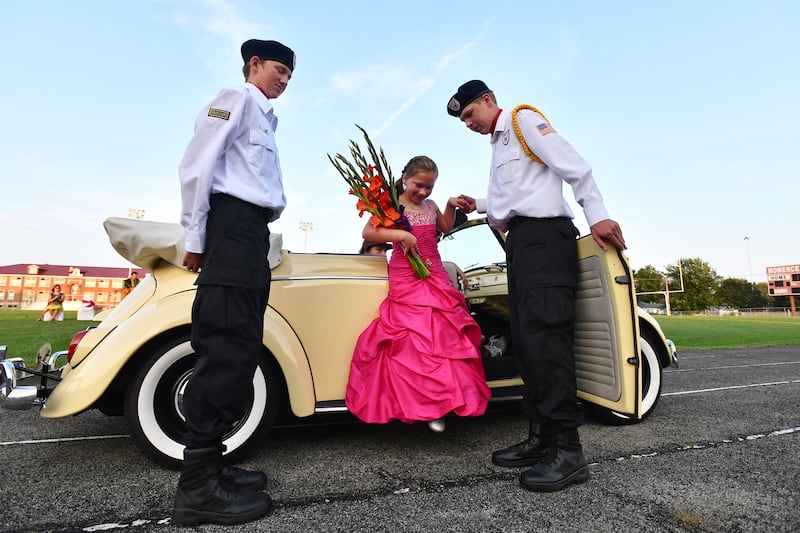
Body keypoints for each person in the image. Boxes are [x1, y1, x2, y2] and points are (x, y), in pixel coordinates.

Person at [446, 80, 627, 492]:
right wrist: (481, 204)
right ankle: (541, 437)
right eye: (464, 121)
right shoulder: (500, 142)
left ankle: (569, 451)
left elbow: (574, 166)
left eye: (470, 115)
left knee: (547, 340)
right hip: (524, 242)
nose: (469, 124)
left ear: (487, 100)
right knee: (528, 342)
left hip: (546, 238)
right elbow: (519, 195)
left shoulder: (522, 120)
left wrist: (596, 213)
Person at [174, 38, 296, 526]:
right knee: (225, 344)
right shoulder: (237, 98)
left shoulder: (265, 116)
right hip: (229, 227)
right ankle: (198, 487)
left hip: (250, 232)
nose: (284, 78)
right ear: (254, 64)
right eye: (278, 69)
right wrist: (195, 234)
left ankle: (215, 464)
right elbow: (197, 165)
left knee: (242, 345)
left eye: (290, 73)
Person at [345, 156, 491, 434]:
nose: (423, 192)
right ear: (405, 180)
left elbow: (446, 228)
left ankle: (445, 402)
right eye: (419, 186)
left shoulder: (431, 206)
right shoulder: (390, 205)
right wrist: (400, 236)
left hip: (434, 272)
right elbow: (368, 232)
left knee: (445, 335)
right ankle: (424, 407)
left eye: (429, 187)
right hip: (405, 275)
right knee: (413, 339)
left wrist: (448, 204)